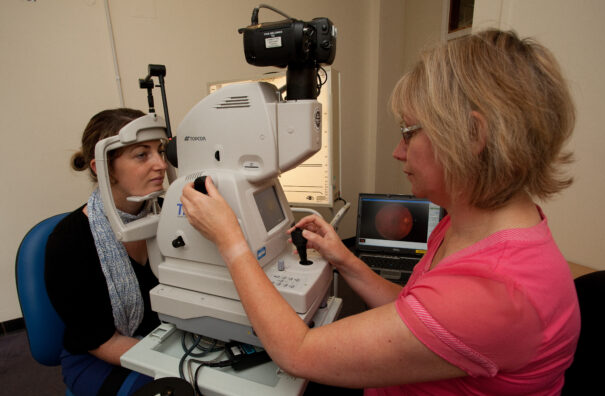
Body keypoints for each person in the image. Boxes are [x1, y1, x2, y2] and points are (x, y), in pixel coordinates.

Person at [179, 29, 580, 395]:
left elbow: (299, 353)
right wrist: (344, 259)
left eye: (408, 132)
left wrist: (231, 241)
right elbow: (415, 308)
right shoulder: (473, 221)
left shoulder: (495, 292)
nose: (398, 151)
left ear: (473, 135)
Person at [45, 108, 167, 396]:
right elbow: (101, 341)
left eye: (160, 151)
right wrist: (176, 364)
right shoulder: (69, 241)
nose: (161, 164)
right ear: (102, 167)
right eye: (142, 154)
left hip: (165, 338)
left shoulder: (171, 217)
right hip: (98, 356)